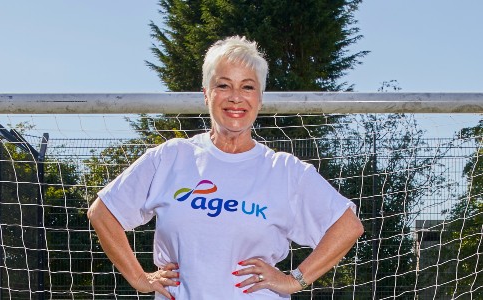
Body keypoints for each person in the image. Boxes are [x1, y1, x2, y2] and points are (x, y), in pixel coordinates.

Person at [87, 36, 364, 300]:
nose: (235, 97)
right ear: (206, 94)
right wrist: (139, 278)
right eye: (223, 85)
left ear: (260, 97)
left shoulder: (285, 171)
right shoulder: (171, 157)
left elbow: (348, 226)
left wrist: (295, 280)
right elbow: (102, 213)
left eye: (247, 87)